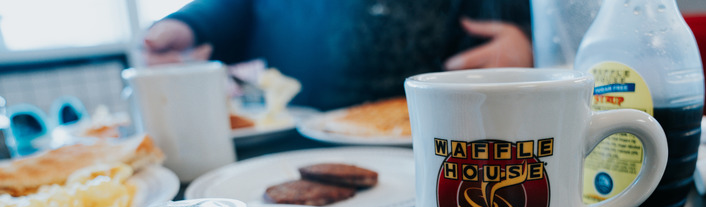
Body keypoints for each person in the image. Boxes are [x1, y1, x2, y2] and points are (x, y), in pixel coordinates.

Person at [142, 0, 533, 110]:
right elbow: (233, 8)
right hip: (291, 140)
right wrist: (189, 25)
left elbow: (511, 26)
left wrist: (524, 43)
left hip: (429, 143)